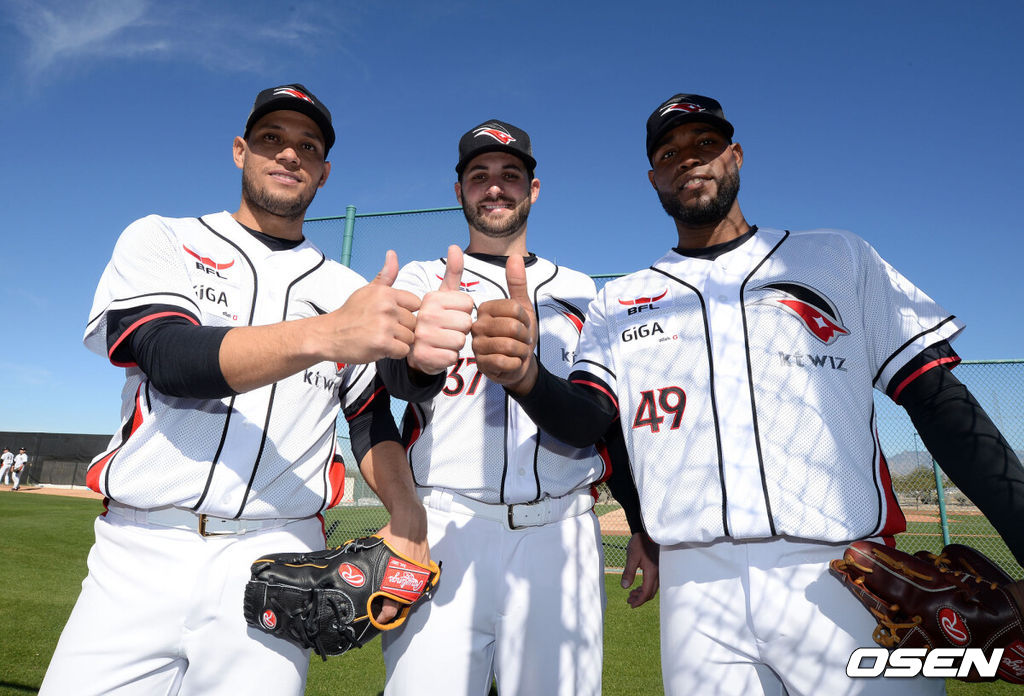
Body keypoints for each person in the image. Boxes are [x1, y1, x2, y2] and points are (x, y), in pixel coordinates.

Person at [471, 94, 1024, 695]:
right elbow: (585, 424)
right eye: (669, 152)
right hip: (695, 587)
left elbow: (940, 404)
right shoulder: (621, 298)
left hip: (842, 572)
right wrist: (525, 377)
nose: (689, 160)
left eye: (705, 145)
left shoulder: (836, 256)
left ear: (735, 156)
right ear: (653, 177)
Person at [40, 84, 431, 696]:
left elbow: (369, 419)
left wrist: (408, 515)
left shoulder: (345, 287)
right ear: (240, 151)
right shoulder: (163, 238)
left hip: (275, 558)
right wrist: (329, 333)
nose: (288, 154)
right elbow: (168, 358)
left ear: (324, 173)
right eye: (271, 139)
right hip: (141, 547)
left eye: (308, 146)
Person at [375, 119, 658, 696]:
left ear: (534, 189)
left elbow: (605, 423)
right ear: (459, 192)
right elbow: (392, 384)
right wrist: (422, 361)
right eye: (479, 176)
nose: (495, 187)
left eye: (511, 175)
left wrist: (639, 522)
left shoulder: (581, 291)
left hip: (560, 531)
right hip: (446, 525)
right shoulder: (425, 278)